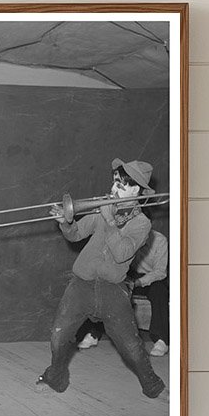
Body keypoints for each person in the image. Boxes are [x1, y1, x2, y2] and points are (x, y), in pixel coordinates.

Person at [37, 158, 166, 399]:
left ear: (136, 190)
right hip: (81, 285)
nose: (115, 188)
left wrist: (109, 222)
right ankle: (56, 378)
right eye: (115, 181)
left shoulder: (142, 223)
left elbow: (122, 253)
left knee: (132, 348)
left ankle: (153, 385)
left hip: (112, 291)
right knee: (58, 335)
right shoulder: (103, 209)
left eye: (122, 185)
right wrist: (65, 222)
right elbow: (75, 235)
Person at [75, 229, 169, 356]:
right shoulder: (125, 235)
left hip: (151, 278)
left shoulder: (160, 240)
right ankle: (94, 333)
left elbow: (160, 272)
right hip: (129, 275)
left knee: (159, 291)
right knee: (104, 285)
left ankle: (161, 339)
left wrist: (138, 282)